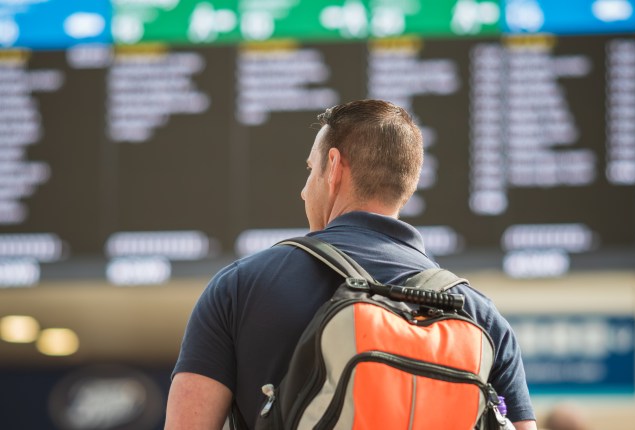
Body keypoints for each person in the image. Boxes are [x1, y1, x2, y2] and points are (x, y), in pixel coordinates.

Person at [165, 99, 537, 430]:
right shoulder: (481, 318)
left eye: (311, 170)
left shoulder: (241, 287)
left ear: (334, 166)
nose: (304, 189)